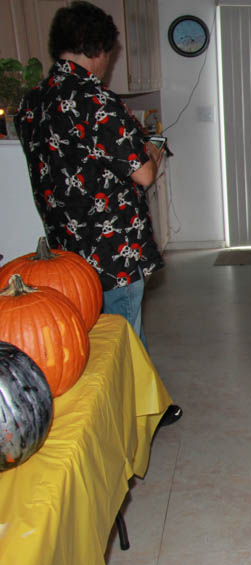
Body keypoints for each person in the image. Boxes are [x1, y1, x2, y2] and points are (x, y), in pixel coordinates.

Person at [15, 1, 181, 426]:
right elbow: (143, 174)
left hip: (66, 250)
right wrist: (153, 147)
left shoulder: (33, 102)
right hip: (111, 247)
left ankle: (138, 405)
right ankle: (138, 414)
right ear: (99, 49)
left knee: (86, 337)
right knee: (123, 335)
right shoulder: (94, 99)